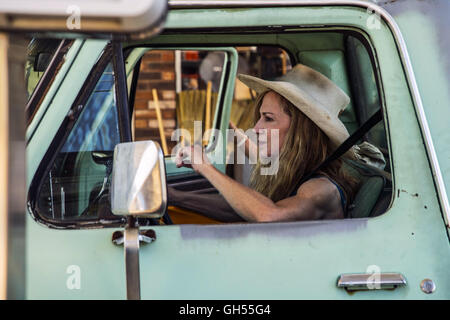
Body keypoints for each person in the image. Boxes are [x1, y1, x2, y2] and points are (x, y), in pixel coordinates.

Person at [171, 64, 359, 223]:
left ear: (301, 131)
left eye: (268, 119)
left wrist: (205, 166)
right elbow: (241, 209)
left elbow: (270, 214)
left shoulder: (321, 189)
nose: (256, 128)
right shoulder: (286, 170)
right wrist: (175, 197)